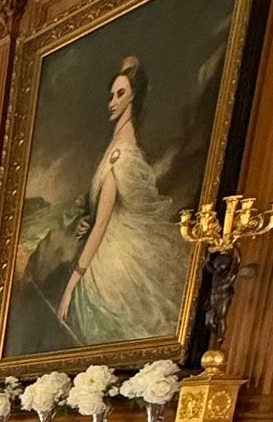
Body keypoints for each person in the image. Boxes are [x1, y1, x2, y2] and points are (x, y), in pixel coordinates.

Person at [57, 55, 190, 344]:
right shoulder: (116, 145)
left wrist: (71, 284)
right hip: (109, 244)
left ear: (133, 98)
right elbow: (104, 212)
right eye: (112, 95)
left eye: (120, 94)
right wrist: (89, 220)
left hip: (116, 259)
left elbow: (104, 223)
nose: (112, 102)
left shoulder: (122, 154)